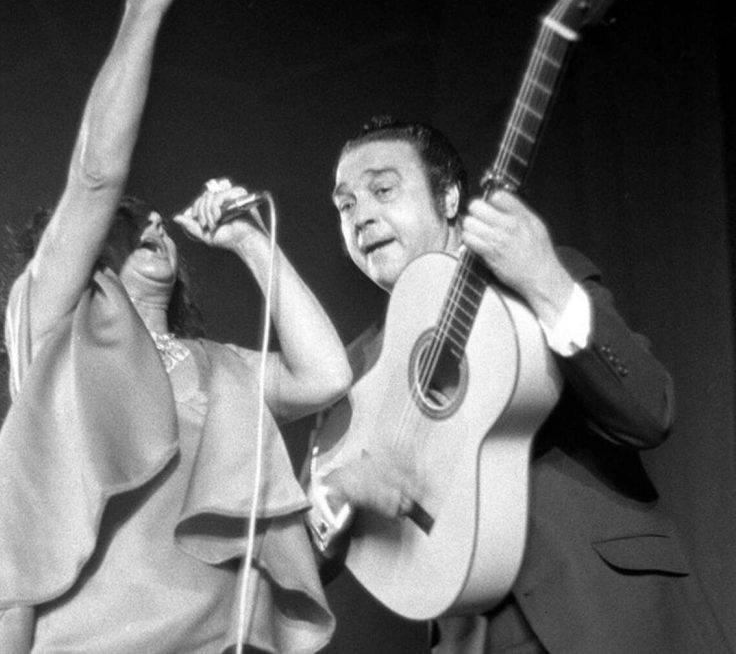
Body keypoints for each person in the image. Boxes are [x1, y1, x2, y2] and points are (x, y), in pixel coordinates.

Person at [0, 0, 351, 651]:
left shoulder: (222, 367)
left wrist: (250, 243)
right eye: (128, 217)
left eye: (157, 219)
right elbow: (95, 177)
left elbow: (324, 374)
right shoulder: (56, 326)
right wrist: (144, 7)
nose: (152, 222)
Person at [304, 116, 731, 652]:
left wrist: (547, 283)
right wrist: (338, 490)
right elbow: (299, 566)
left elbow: (651, 412)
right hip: (479, 638)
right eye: (345, 205)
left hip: (619, 616)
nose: (361, 215)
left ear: (452, 197)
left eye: (382, 189)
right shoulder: (352, 370)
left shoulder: (540, 280)